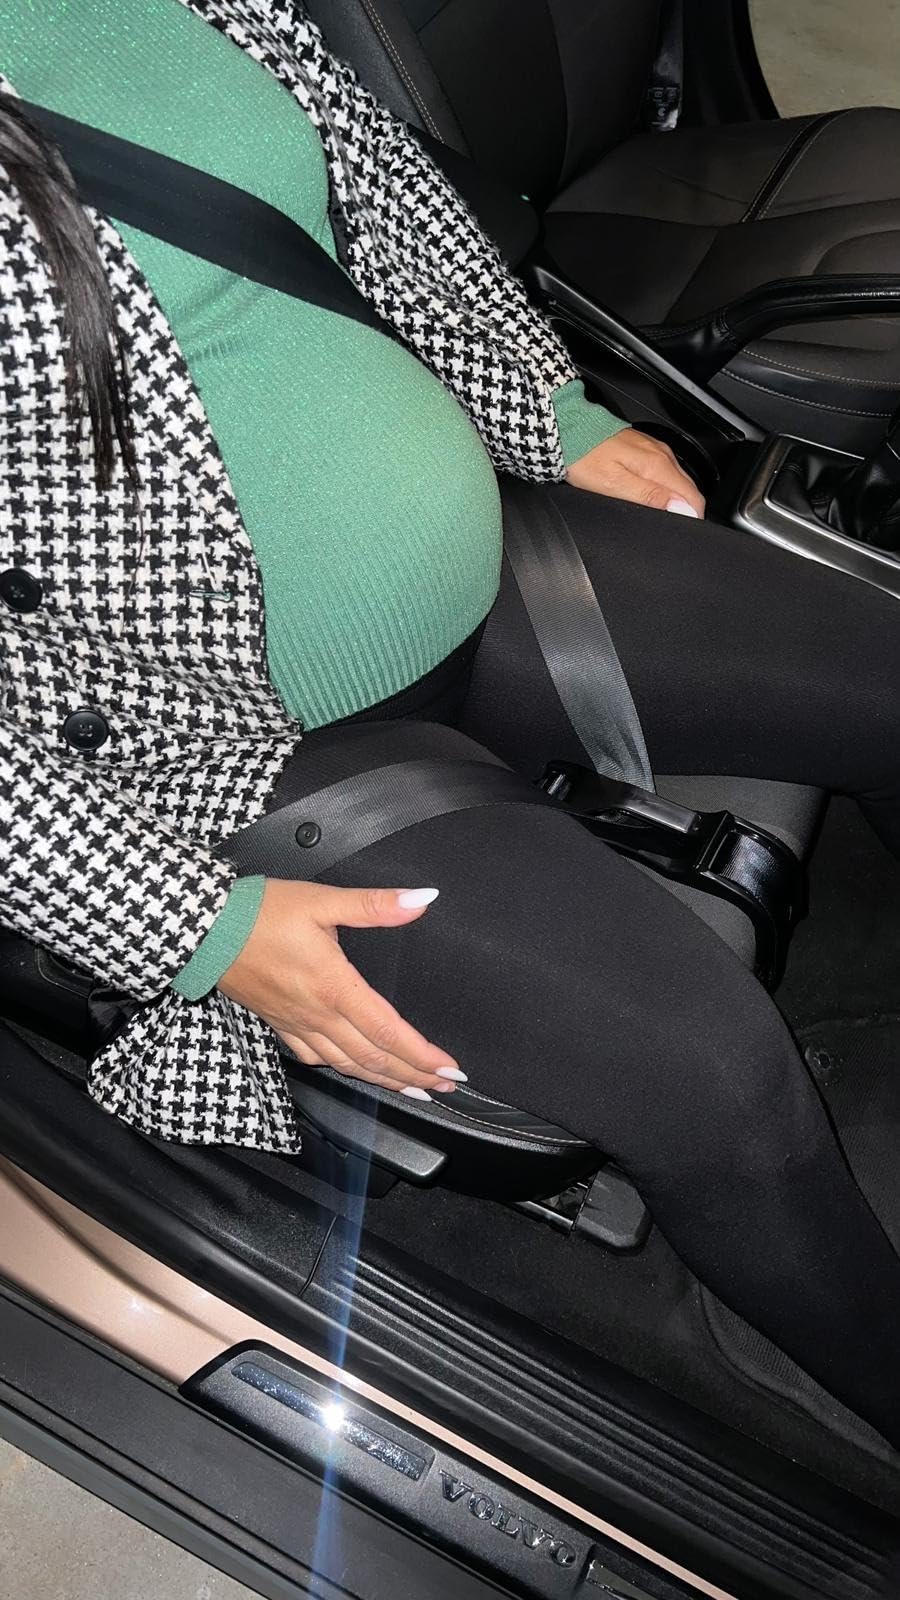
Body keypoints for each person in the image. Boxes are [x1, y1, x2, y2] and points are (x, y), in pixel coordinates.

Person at [2, 0, 900, 1448]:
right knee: (714, 1077)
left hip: (481, 560)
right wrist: (193, 927)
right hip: (214, 741)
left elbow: (381, 195)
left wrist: (550, 412)